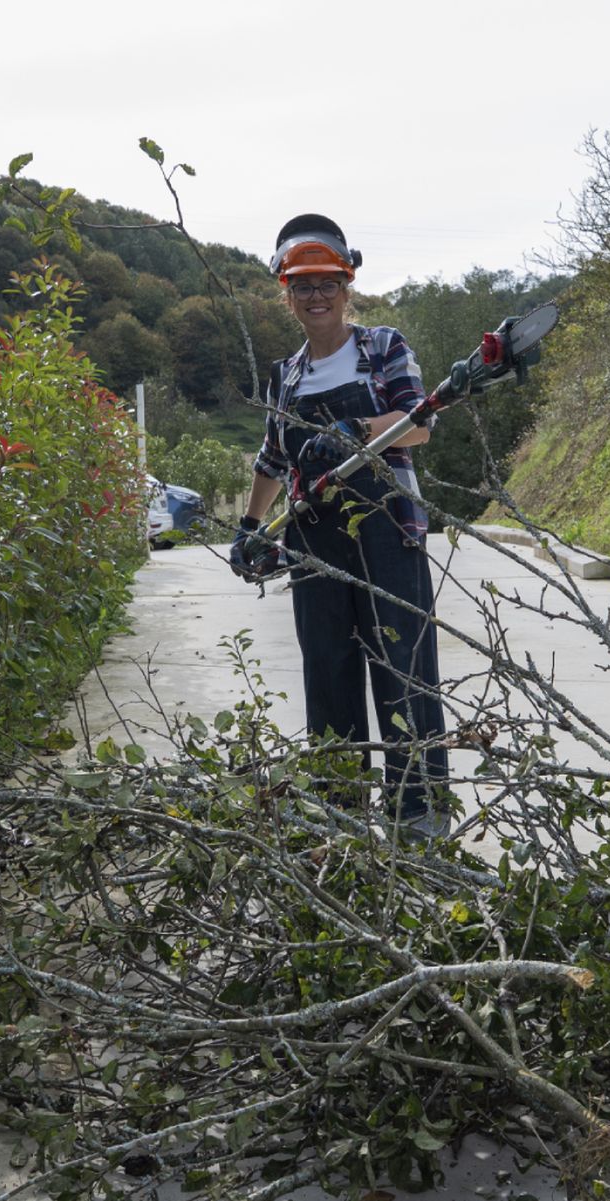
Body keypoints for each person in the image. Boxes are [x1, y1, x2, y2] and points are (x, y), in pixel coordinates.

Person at [230, 214, 449, 837]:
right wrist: (250, 524)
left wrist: (356, 431)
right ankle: (341, 815)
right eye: (303, 286)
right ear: (286, 293)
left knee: (402, 668)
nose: (317, 296)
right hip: (312, 537)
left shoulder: (382, 347)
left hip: (387, 529)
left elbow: (420, 420)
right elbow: (273, 458)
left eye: (328, 282)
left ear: (347, 284)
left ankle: (419, 815)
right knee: (326, 672)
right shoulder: (285, 376)